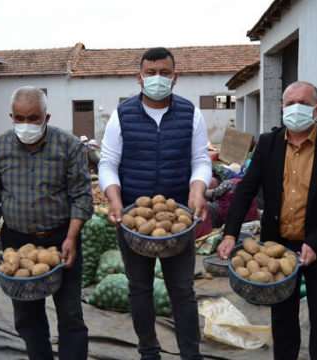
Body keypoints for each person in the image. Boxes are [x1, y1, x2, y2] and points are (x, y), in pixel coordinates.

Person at [217, 81, 317, 360]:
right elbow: (245, 189)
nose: (296, 109)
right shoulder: (268, 144)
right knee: (283, 323)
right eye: (290, 103)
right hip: (277, 248)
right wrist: (230, 233)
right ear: (282, 107)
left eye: (304, 104)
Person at [99, 47, 211, 360]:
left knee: (183, 290)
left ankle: (191, 354)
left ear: (175, 77)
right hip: (134, 218)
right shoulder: (122, 115)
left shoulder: (191, 113)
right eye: (151, 73)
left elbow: (200, 159)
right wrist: (114, 197)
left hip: (178, 218)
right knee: (139, 288)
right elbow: (108, 162)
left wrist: (198, 188)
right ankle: (148, 352)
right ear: (139, 77)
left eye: (164, 72)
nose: (157, 78)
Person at [0, 86, 92, 360]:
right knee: (27, 317)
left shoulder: (69, 146)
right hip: (17, 243)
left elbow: (81, 196)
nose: (26, 124)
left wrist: (71, 237)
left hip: (60, 239)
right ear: (12, 116)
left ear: (46, 117)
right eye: (20, 118)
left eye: (33, 118)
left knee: (70, 314)